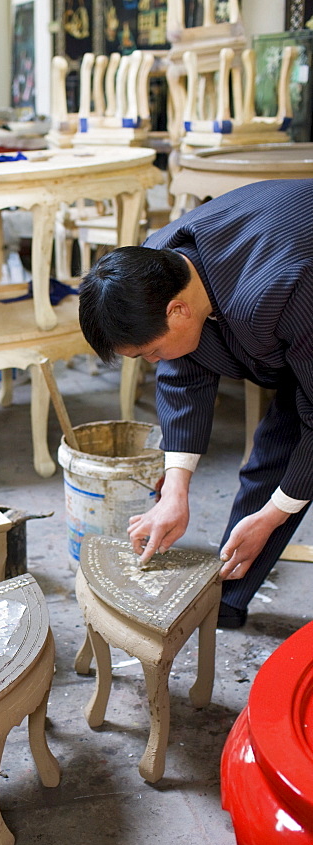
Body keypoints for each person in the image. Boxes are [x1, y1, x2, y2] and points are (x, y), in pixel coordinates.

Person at [77, 179, 313, 629]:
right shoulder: (160, 262)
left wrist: (273, 514)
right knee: (273, 462)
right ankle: (225, 597)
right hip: (290, 317)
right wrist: (174, 491)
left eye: (149, 352)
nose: (152, 362)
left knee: (291, 462)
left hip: (301, 283)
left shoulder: (279, 289)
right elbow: (183, 376)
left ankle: (237, 570)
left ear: (178, 311)